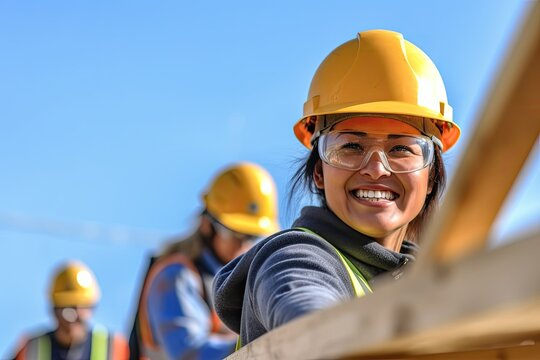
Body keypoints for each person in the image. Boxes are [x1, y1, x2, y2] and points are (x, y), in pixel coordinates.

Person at [213, 29, 461, 348]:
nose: (375, 168)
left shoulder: (428, 281)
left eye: (401, 149)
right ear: (319, 171)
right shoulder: (295, 257)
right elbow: (306, 311)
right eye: (351, 146)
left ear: (430, 178)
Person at [129, 162, 280, 359]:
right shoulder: (176, 275)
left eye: (252, 236)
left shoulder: (234, 282)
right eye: (234, 233)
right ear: (207, 225)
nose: (243, 245)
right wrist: (258, 343)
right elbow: (189, 352)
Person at [13, 260, 129, 360]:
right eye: (66, 307)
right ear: (54, 310)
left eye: (79, 307)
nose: (72, 316)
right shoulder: (31, 350)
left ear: (91, 308)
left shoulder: (114, 348)